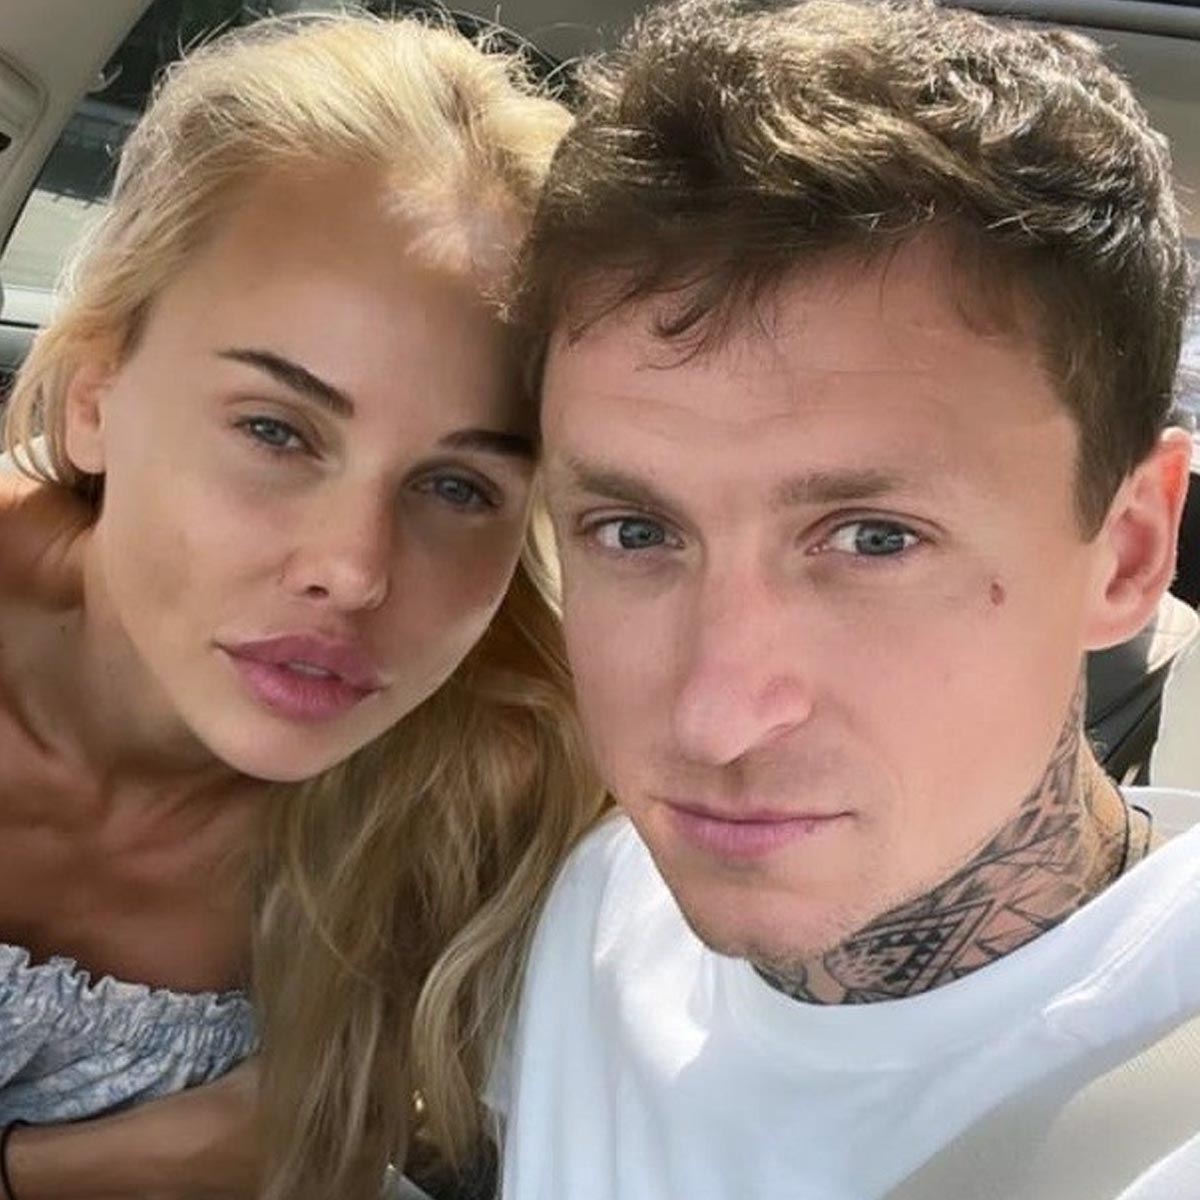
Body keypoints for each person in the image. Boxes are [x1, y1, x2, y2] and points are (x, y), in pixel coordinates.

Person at [491, 0, 1200, 1196]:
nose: (716, 720)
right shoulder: (602, 912)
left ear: (1127, 554)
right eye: (636, 531)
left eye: (875, 540)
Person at [0, 14, 601, 1200]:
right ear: (95, 399)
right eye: (277, 430)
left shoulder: (499, 795)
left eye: (458, 487)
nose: (355, 570)